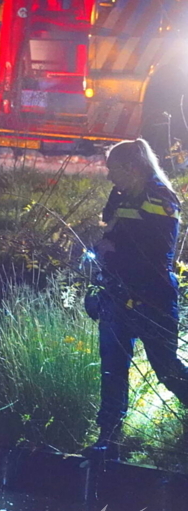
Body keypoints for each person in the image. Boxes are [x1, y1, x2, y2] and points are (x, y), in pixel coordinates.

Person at [85, 138, 188, 458]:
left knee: (166, 368)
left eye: (113, 170)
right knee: (112, 370)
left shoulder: (160, 196)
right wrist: (95, 288)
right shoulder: (124, 195)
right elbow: (109, 238)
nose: (109, 177)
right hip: (116, 294)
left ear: (132, 167)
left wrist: (116, 253)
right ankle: (109, 441)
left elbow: (155, 250)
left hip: (152, 296)